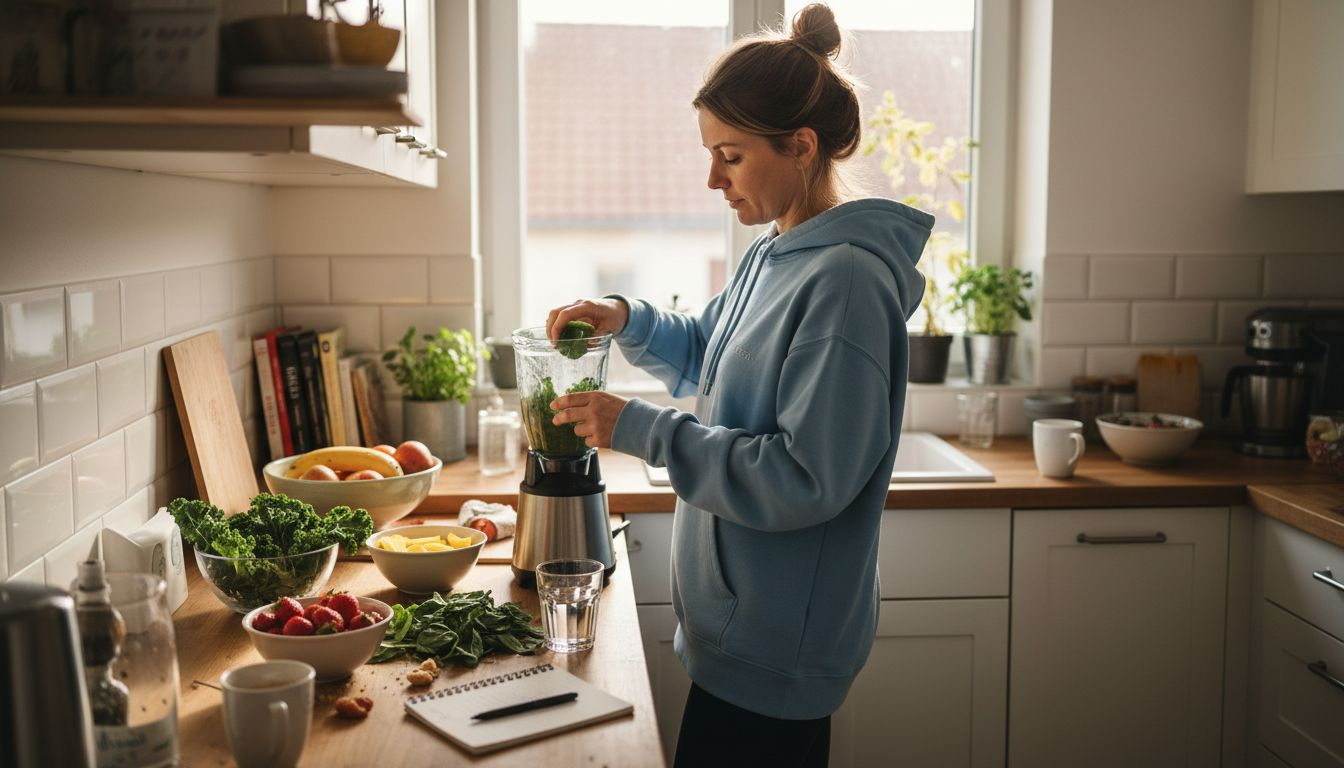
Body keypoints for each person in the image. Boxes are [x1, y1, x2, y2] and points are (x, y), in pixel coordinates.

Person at [545, 5, 930, 766]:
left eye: (731, 155)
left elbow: (803, 478)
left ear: (802, 146)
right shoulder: (775, 250)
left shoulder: (846, 281)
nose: (712, 179)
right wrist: (623, 316)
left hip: (776, 653)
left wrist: (641, 430)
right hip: (734, 639)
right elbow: (708, 355)